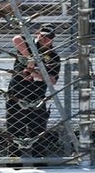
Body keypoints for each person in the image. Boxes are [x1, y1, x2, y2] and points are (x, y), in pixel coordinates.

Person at [6, 27, 60, 159]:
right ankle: (14, 160)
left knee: (38, 130)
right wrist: (29, 58)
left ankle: (39, 160)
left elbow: (52, 80)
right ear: (37, 34)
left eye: (49, 37)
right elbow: (16, 39)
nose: (45, 39)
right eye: (43, 36)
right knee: (14, 129)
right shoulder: (29, 45)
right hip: (17, 94)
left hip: (37, 96)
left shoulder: (53, 56)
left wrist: (35, 72)